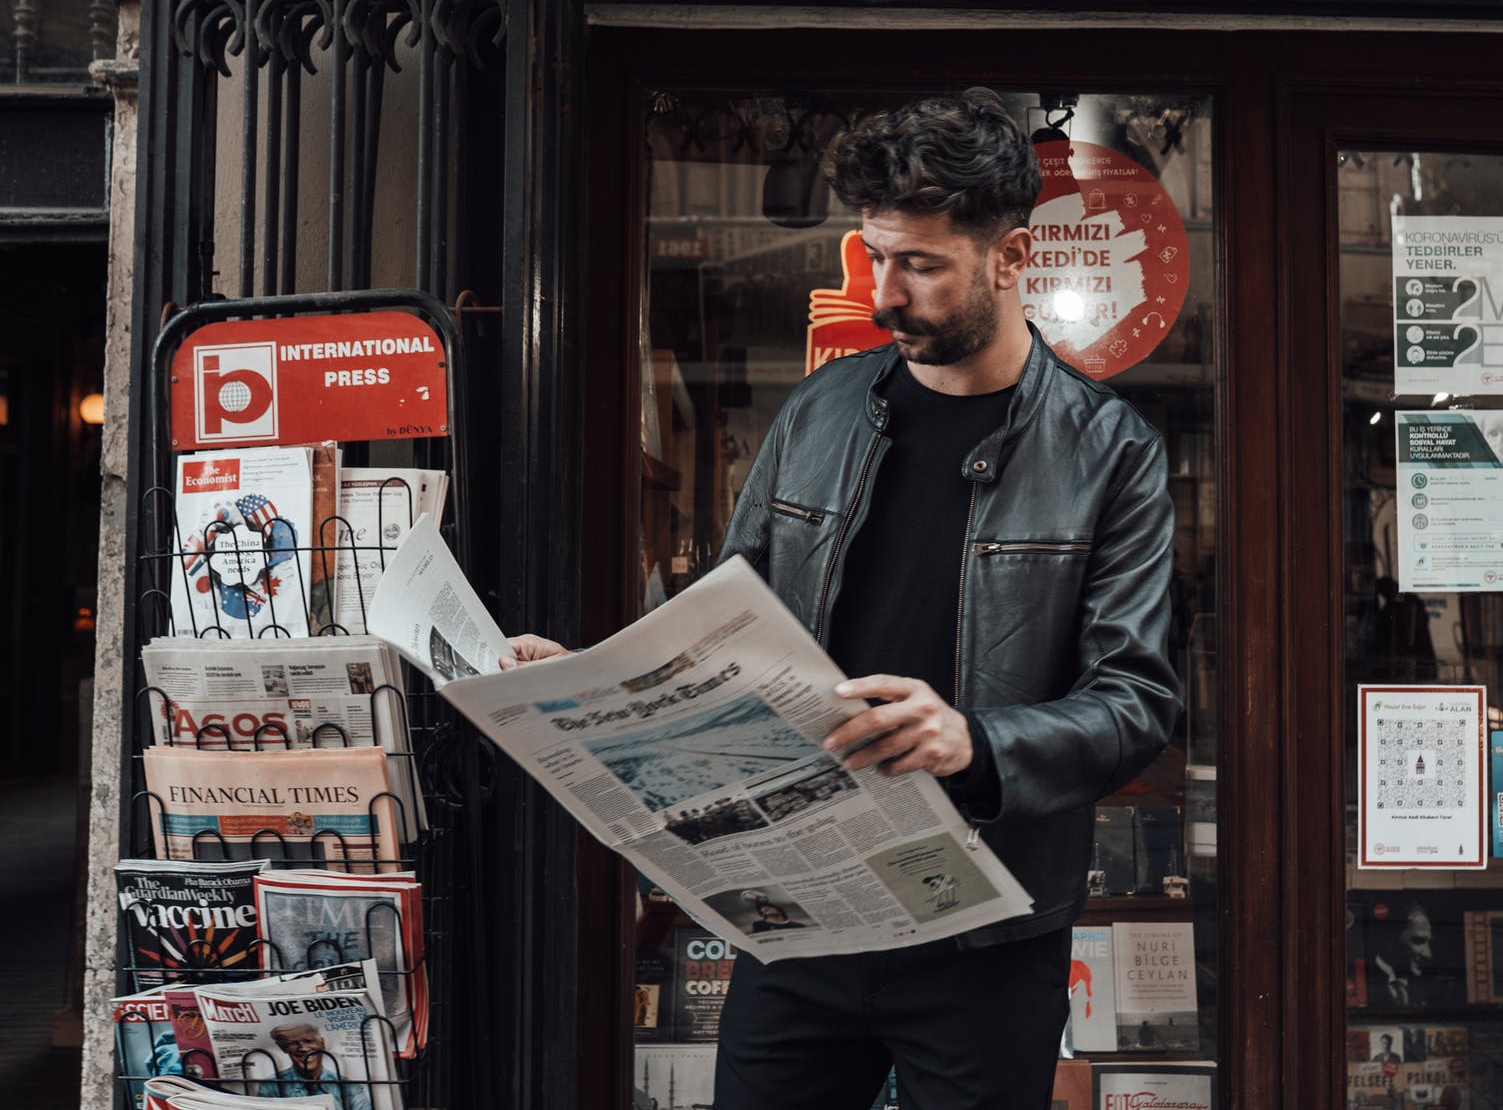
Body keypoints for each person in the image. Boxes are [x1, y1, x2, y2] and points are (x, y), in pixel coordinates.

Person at [507, 89, 1180, 1109]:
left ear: (1007, 260)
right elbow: (725, 623)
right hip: (803, 908)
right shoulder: (822, 408)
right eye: (874, 256)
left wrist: (973, 740)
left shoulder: (1109, 451)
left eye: (919, 264)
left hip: (987, 933)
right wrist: (596, 684)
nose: (882, 295)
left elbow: (1136, 700)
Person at [250, 1020, 370, 1110]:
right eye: (293, 1043)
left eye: (308, 1041)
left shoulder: (349, 1087)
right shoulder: (272, 1085)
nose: (303, 1048)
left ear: (322, 1043)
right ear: (284, 1048)